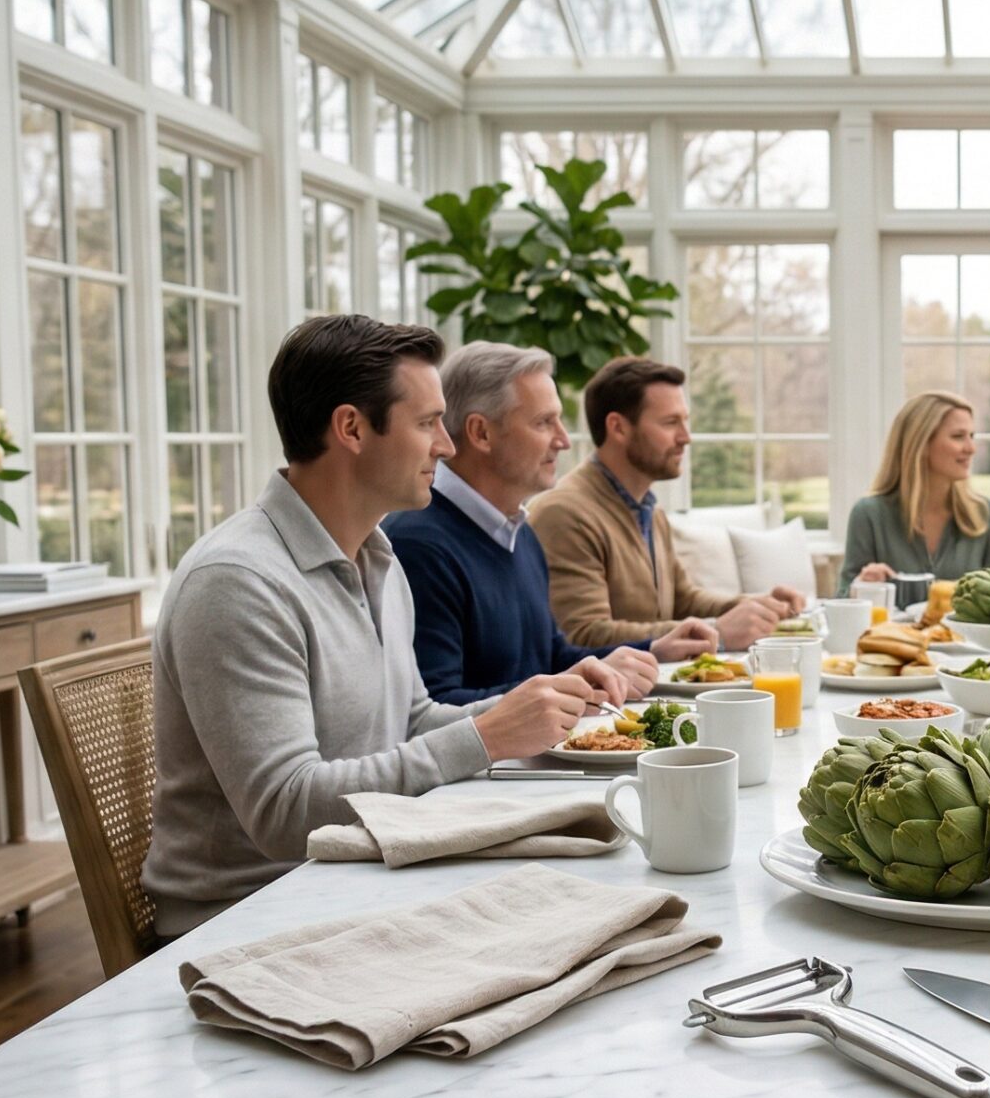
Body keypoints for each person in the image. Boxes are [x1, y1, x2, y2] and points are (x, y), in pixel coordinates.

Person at [143, 317, 660, 936]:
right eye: (425, 424)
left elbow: (411, 718)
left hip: (361, 871)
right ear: (352, 429)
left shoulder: (378, 556)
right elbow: (283, 812)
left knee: (611, 892)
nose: (446, 446)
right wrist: (487, 737)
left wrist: (532, 707)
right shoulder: (237, 582)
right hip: (253, 916)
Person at [385, 342, 718, 705]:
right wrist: (567, 687)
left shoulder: (520, 532)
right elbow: (434, 710)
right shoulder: (418, 545)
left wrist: (652, 649)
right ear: (481, 433)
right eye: (544, 422)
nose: (562, 440)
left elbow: (553, 656)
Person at [527, 357, 808, 651]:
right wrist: (717, 632)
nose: (686, 438)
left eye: (684, 421)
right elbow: (583, 634)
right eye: (671, 422)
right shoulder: (565, 514)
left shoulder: (650, 511)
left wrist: (754, 607)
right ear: (618, 428)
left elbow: (683, 601)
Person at [840, 389, 990, 594]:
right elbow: (841, 604)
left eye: (971, 436)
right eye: (958, 436)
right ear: (921, 443)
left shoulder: (984, 515)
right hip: (890, 628)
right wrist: (860, 585)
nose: (971, 448)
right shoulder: (868, 514)